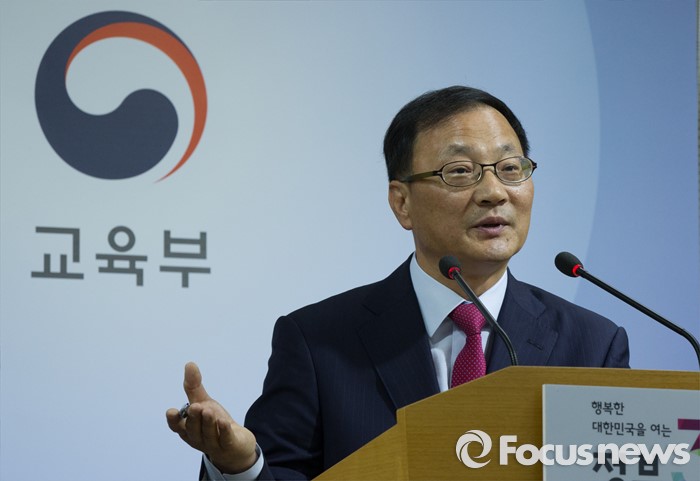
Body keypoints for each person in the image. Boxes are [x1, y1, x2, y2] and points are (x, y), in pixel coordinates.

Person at [166, 85, 630, 480]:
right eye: (460, 172)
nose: (494, 192)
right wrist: (239, 465)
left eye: (510, 169)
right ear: (402, 203)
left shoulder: (592, 346)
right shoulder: (318, 342)